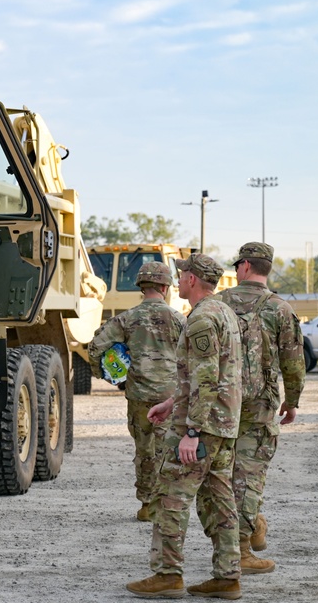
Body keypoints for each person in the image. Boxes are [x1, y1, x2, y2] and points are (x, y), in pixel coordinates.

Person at [127, 253, 243, 600]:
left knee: (169, 497)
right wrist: (170, 403)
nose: (177, 281)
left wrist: (191, 432)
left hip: (203, 428)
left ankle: (167, 574)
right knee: (220, 500)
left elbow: (207, 379)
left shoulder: (203, 318)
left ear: (193, 279)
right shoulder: (223, 312)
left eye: (181, 275)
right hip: (222, 427)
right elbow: (201, 376)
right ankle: (228, 576)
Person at [218, 242, 305, 575]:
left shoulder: (218, 304)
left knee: (223, 476)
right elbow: (294, 363)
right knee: (249, 475)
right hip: (261, 406)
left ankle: (248, 530)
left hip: (219, 404)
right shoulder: (280, 309)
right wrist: (292, 401)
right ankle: (241, 550)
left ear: (243, 267)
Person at [87, 261, 186, 522]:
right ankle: (168, 503)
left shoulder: (126, 318)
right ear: (165, 287)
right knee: (168, 450)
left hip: (139, 396)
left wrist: (110, 377)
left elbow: (96, 346)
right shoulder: (179, 319)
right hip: (171, 397)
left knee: (144, 451)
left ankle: (147, 506)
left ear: (142, 286)